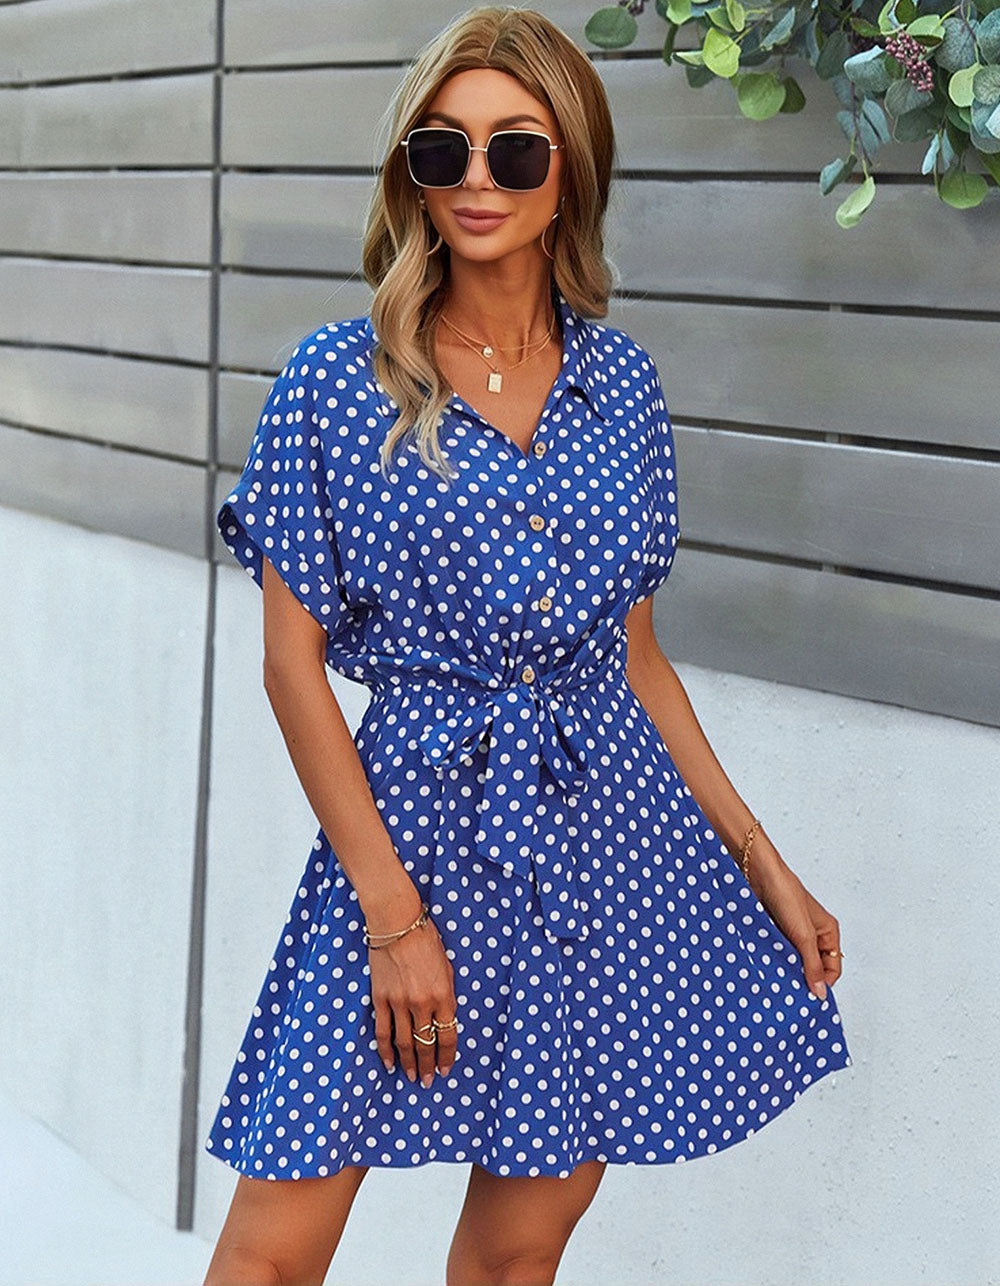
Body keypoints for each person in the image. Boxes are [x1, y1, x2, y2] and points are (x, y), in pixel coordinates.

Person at [203, 7, 852, 1283]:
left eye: (515, 149)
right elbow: (290, 667)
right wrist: (393, 917)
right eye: (441, 149)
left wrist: (760, 858)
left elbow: (637, 660)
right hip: (407, 831)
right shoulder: (335, 379)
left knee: (517, 1252)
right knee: (270, 1250)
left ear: (570, 176)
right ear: (410, 173)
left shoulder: (624, 386)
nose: (476, 180)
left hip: (602, 839)